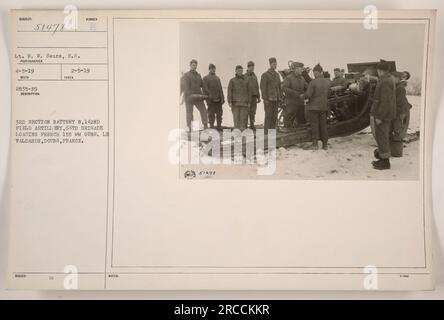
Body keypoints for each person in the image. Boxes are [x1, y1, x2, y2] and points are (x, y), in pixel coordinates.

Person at [370, 60, 397, 170]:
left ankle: (385, 162)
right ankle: (382, 158)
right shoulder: (387, 79)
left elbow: (385, 101)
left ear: (381, 70)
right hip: (385, 113)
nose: (377, 72)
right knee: (382, 136)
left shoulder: (385, 81)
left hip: (383, 115)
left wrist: (380, 116)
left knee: (382, 137)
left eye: (378, 70)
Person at [300, 64, 331, 150]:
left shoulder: (313, 82)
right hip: (323, 107)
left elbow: (308, 95)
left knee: (315, 126)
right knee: (323, 126)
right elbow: (329, 94)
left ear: (318, 72)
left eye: (314, 73)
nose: (313, 74)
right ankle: (325, 144)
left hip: (313, 108)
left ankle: (315, 144)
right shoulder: (327, 82)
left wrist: (302, 96)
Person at [388, 71, 412, 157]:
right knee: (390, 130)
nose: (391, 79)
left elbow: (401, 102)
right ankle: (391, 150)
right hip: (393, 112)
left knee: (397, 131)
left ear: (398, 79)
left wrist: (402, 113)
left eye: (393, 78)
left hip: (398, 113)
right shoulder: (395, 86)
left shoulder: (400, 88)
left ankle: (397, 152)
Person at [181, 59, 208, 131]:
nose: (194, 66)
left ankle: (205, 124)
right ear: (190, 65)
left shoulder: (198, 75)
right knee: (189, 112)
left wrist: (206, 93)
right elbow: (185, 87)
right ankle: (190, 127)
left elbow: (203, 85)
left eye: (195, 65)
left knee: (203, 110)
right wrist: (189, 94)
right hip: (189, 97)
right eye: (193, 65)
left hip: (198, 97)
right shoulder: (186, 75)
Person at [282, 61, 308, 127]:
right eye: (300, 69)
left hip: (300, 102)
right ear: (295, 69)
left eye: (302, 69)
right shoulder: (288, 78)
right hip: (291, 103)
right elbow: (284, 88)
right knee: (289, 121)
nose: (302, 70)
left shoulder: (302, 78)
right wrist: (296, 94)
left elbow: (307, 87)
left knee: (301, 120)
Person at [260, 57, 282, 133]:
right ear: (270, 64)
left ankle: (272, 132)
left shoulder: (277, 75)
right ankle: (266, 133)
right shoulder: (265, 75)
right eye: (273, 64)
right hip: (268, 100)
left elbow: (279, 87)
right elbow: (263, 88)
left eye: (276, 64)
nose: (275, 65)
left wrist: (280, 98)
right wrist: (265, 99)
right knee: (268, 116)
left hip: (276, 99)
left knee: (274, 116)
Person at [227, 65, 251, 130]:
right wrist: (229, 101)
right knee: (236, 119)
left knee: (243, 119)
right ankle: (237, 135)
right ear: (236, 71)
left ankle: (243, 134)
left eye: (241, 71)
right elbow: (229, 91)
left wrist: (249, 102)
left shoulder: (246, 80)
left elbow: (249, 91)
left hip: (244, 104)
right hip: (235, 104)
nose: (240, 72)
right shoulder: (232, 80)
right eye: (238, 71)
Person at [203, 64, 225, 130]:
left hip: (218, 100)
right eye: (212, 68)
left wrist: (222, 98)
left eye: (214, 68)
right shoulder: (205, 78)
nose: (213, 70)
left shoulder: (217, 78)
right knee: (211, 114)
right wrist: (207, 100)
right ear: (209, 69)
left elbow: (220, 89)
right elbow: (204, 90)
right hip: (211, 100)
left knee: (219, 114)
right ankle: (212, 125)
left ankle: (219, 126)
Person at [244, 61, 261, 129]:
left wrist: (258, 97)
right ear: (248, 67)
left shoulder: (254, 76)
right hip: (247, 97)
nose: (253, 68)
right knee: (246, 111)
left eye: (253, 66)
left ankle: (252, 124)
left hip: (254, 97)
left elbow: (257, 86)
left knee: (253, 111)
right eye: (251, 66)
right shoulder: (245, 76)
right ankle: (245, 125)